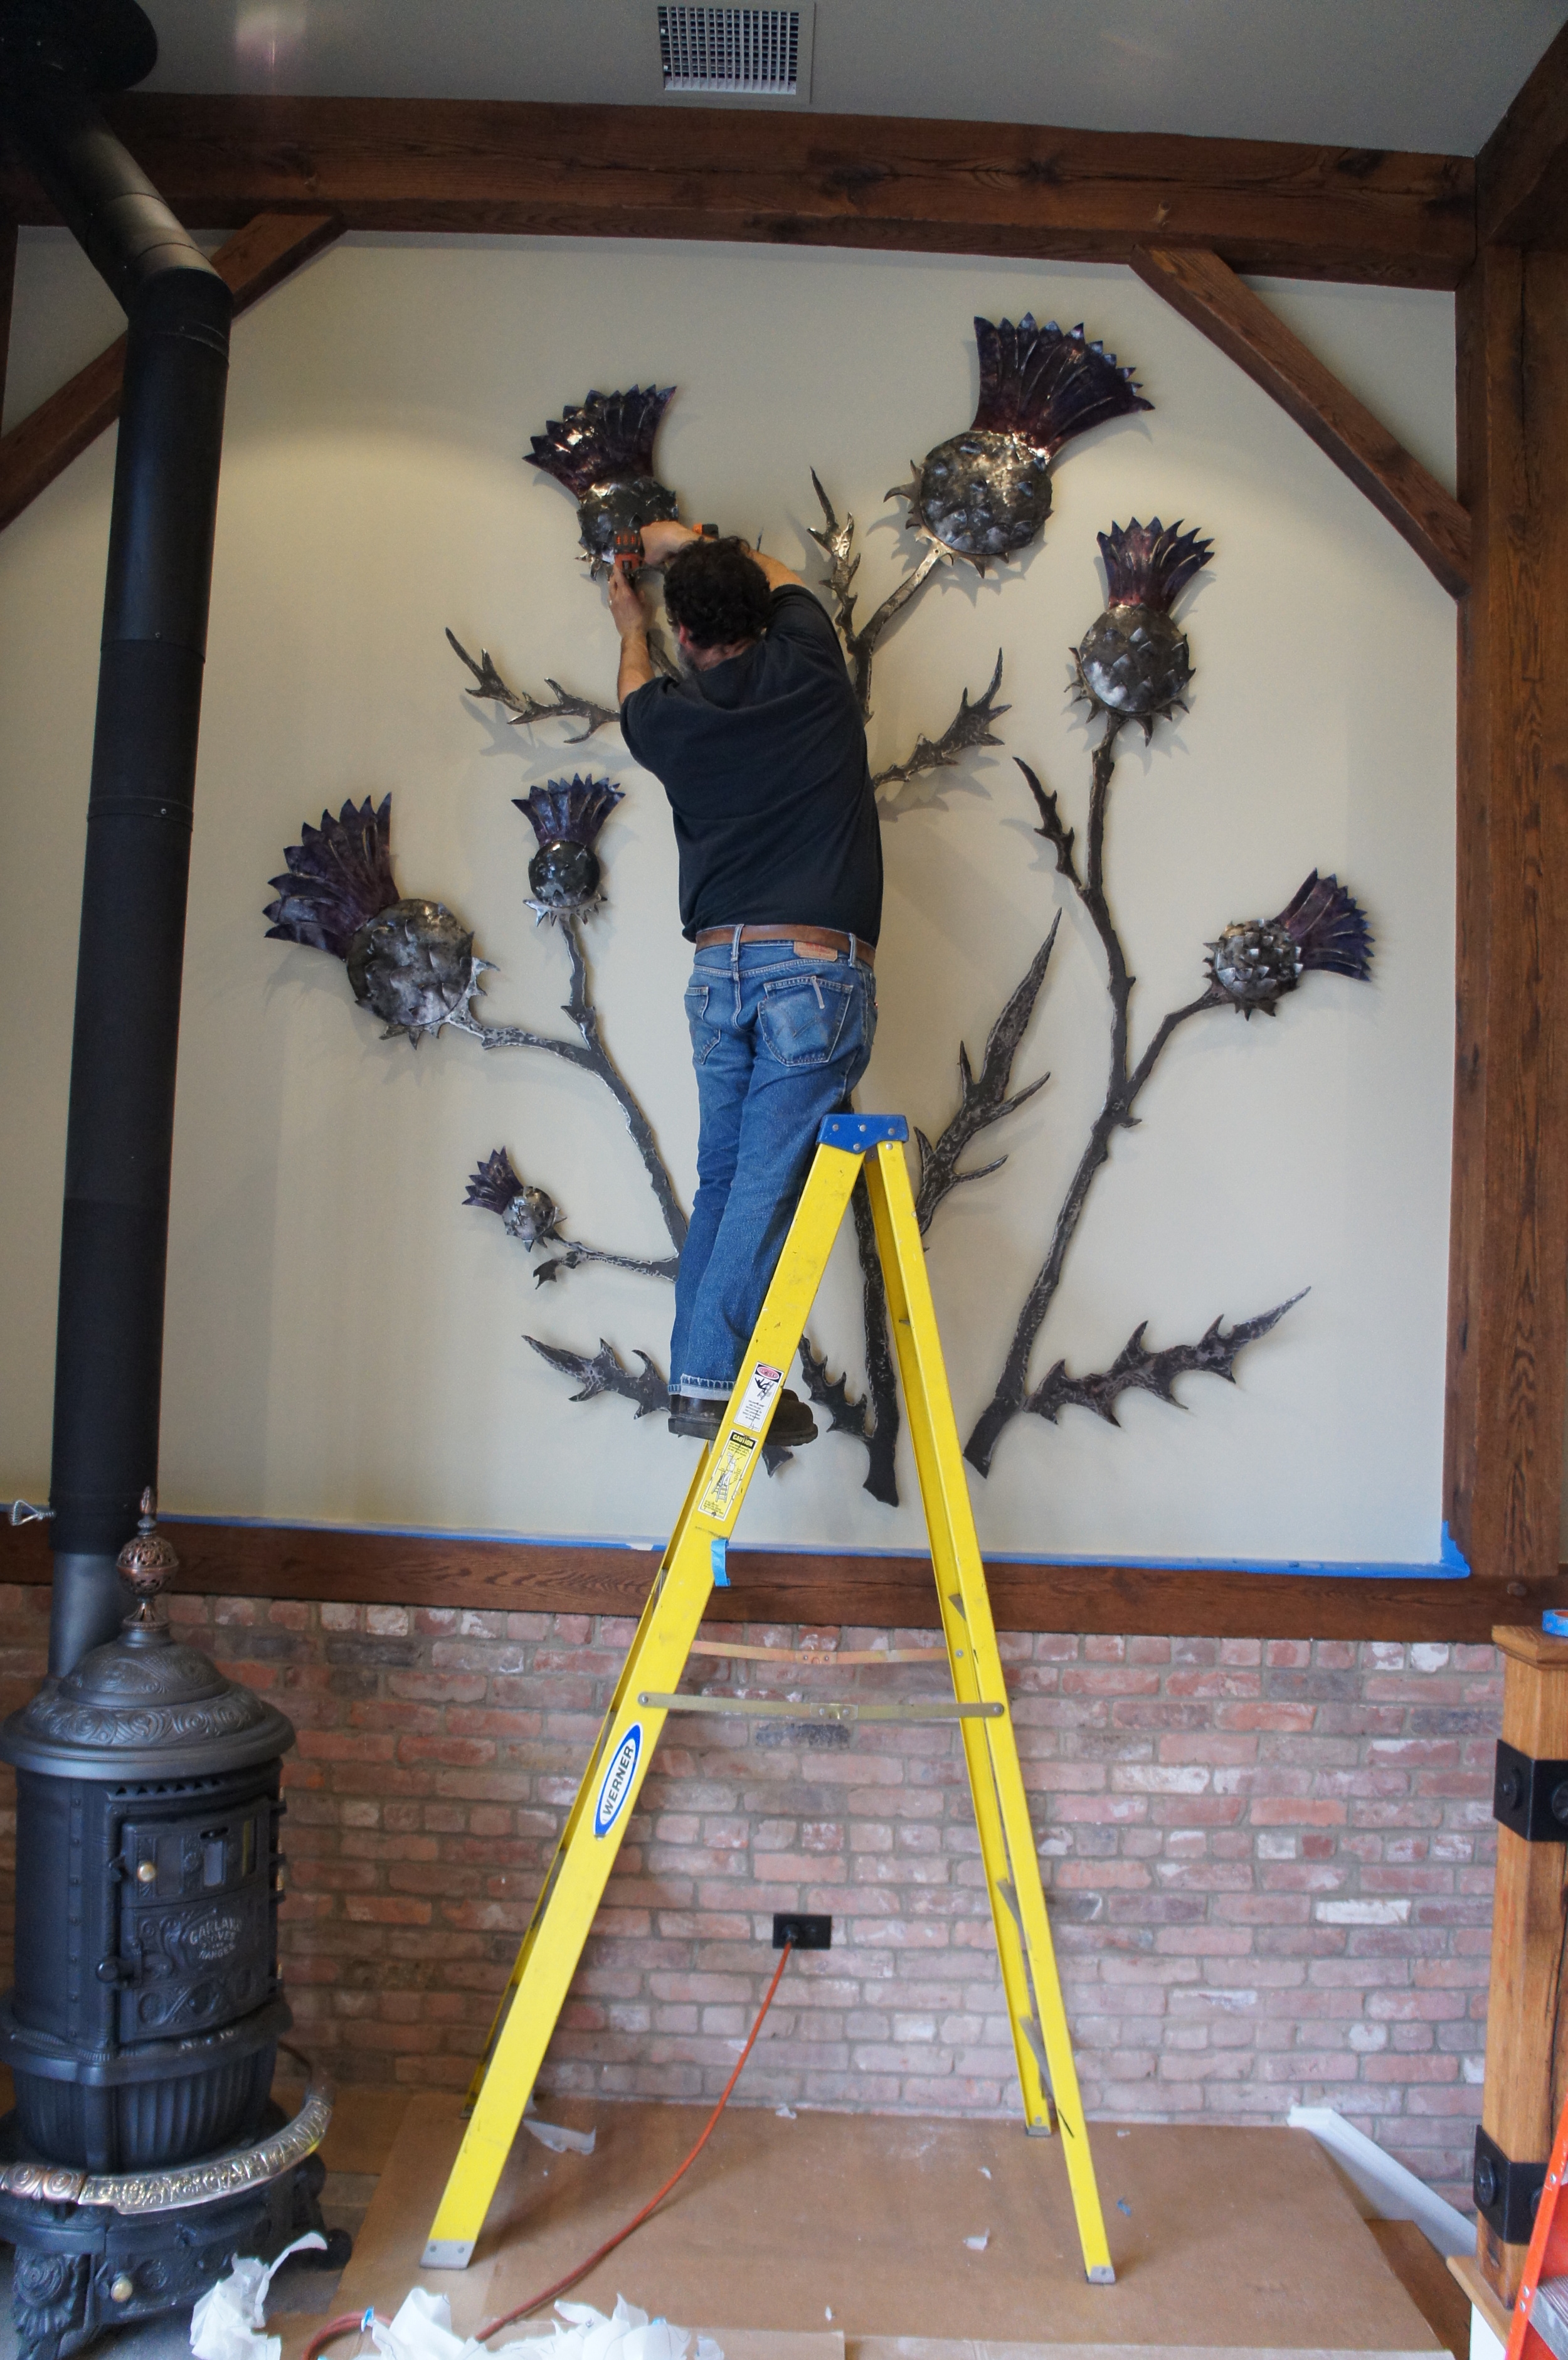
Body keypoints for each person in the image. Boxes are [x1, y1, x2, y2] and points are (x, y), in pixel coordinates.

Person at [611, 522, 881, 1448]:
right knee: (758, 1181)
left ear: (684, 636)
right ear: (763, 620)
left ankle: (702, 1379)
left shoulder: (668, 722)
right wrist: (691, 538)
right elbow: (784, 578)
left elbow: (634, 689)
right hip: (812, 972)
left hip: (717, 974)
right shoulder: (811, 664)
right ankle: (710, 1380)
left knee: (728, 1179)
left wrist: (626, 617)